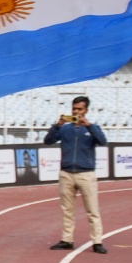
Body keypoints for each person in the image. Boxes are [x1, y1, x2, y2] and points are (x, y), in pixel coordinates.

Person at [47, 96, 109, 253]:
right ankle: (67, 240)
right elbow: (48, 141)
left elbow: (103, 141)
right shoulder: (65, 128)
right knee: (67, 210)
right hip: (66, 173)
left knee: (92, 210)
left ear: (86, 110)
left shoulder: (92, 128)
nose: (76, 112)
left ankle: (97, 241)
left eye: (80, 109)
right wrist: (57, 125)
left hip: (86, 174)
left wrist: (88, 126)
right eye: (74, 109)